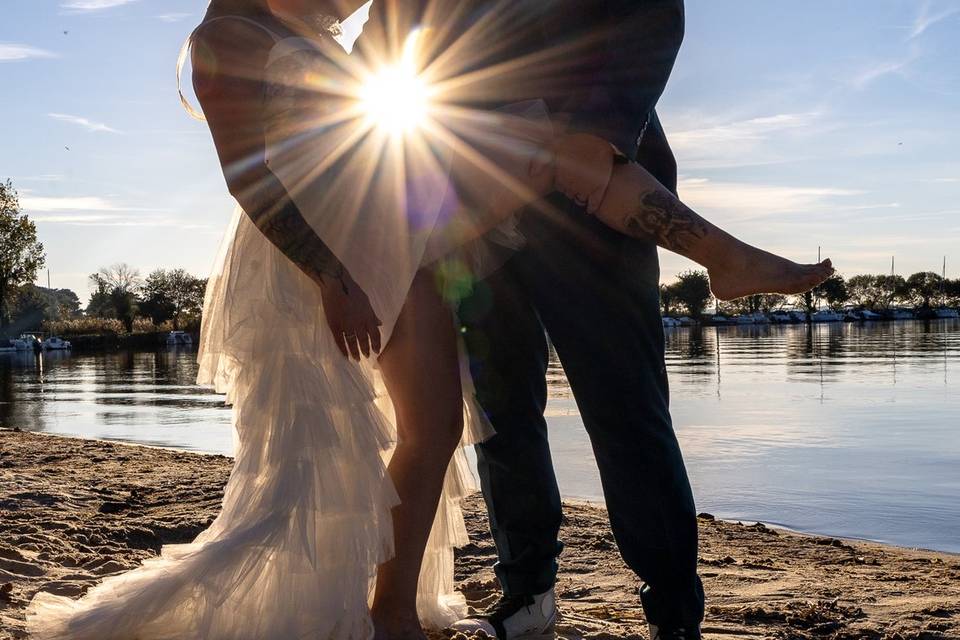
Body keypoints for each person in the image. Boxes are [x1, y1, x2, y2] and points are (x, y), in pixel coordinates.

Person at [25, 1, 830, 639]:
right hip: (400, 220)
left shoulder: (295, 24)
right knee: (489, 416)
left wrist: (596, 127)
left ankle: (667, 607)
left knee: (598, 409)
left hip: (513, 197)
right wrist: (342, 257)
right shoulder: (236, 34)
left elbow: (646, 16)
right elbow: (289, 139)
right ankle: (520, 592)